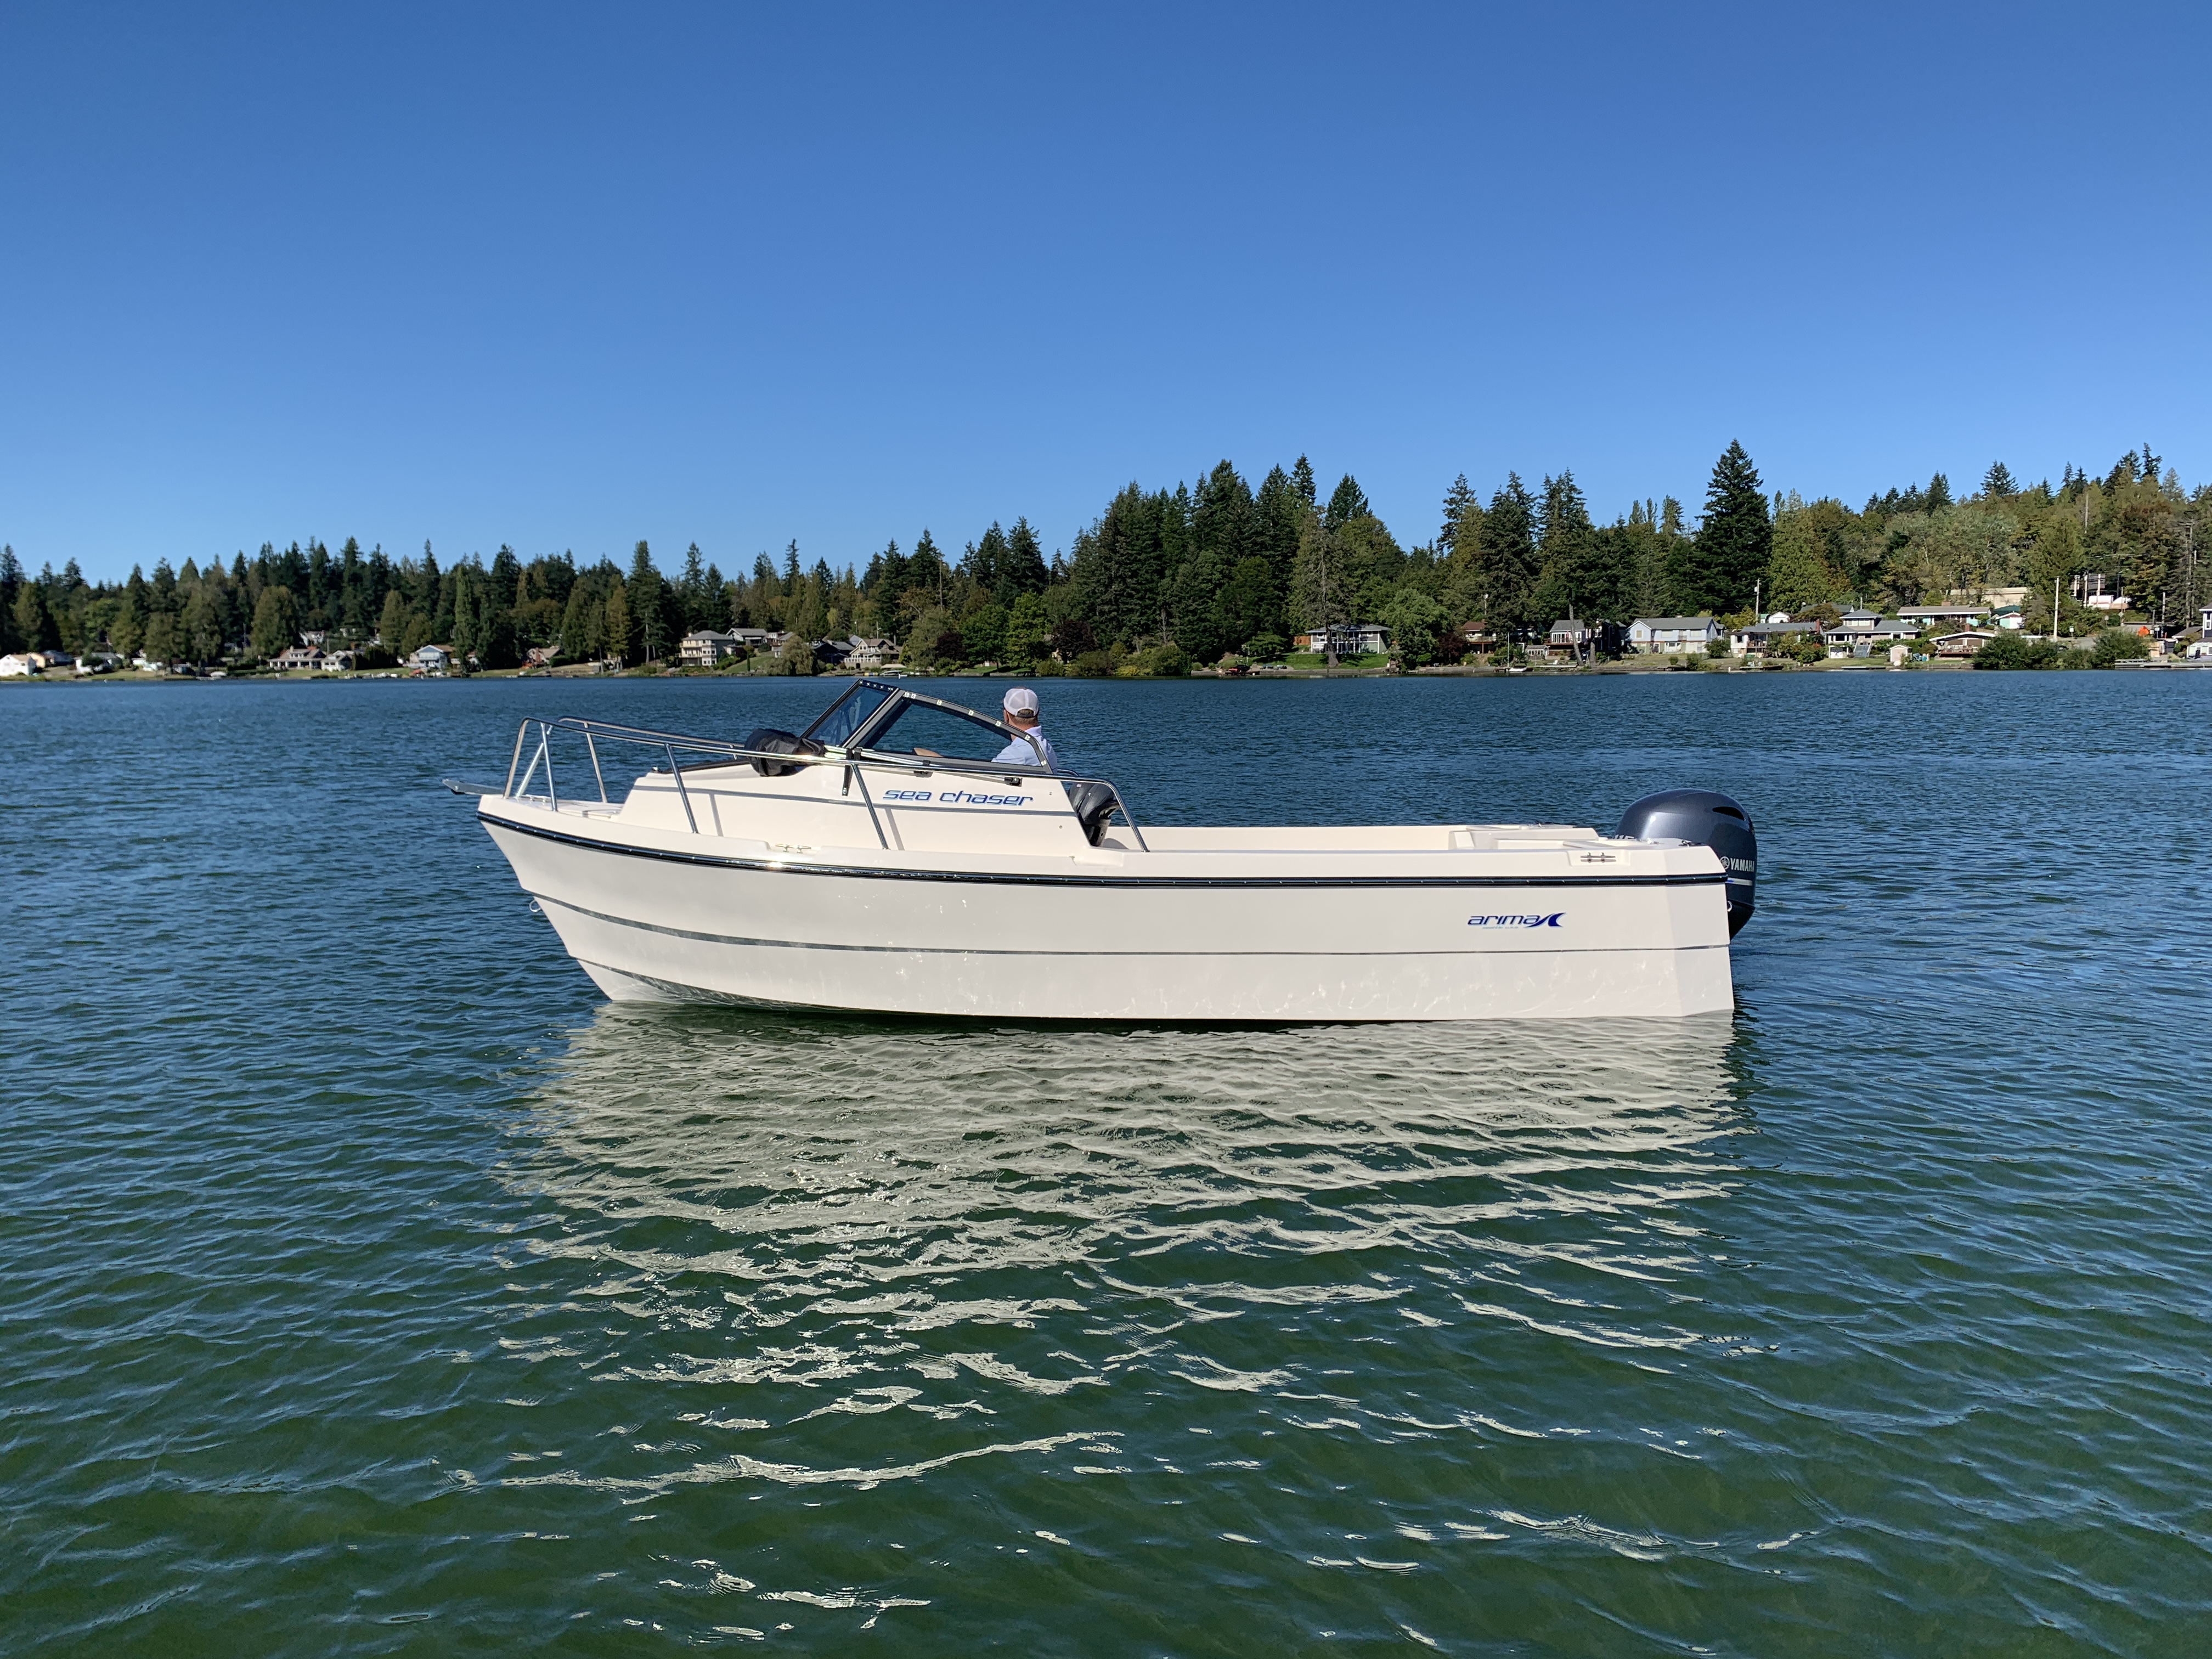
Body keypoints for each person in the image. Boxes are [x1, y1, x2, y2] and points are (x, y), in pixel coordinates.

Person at [992, 687, 1060, 771]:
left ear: (1006, 715)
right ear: (1038, 713)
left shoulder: (1016, 752)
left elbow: (983, 779)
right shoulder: (1046, 746)